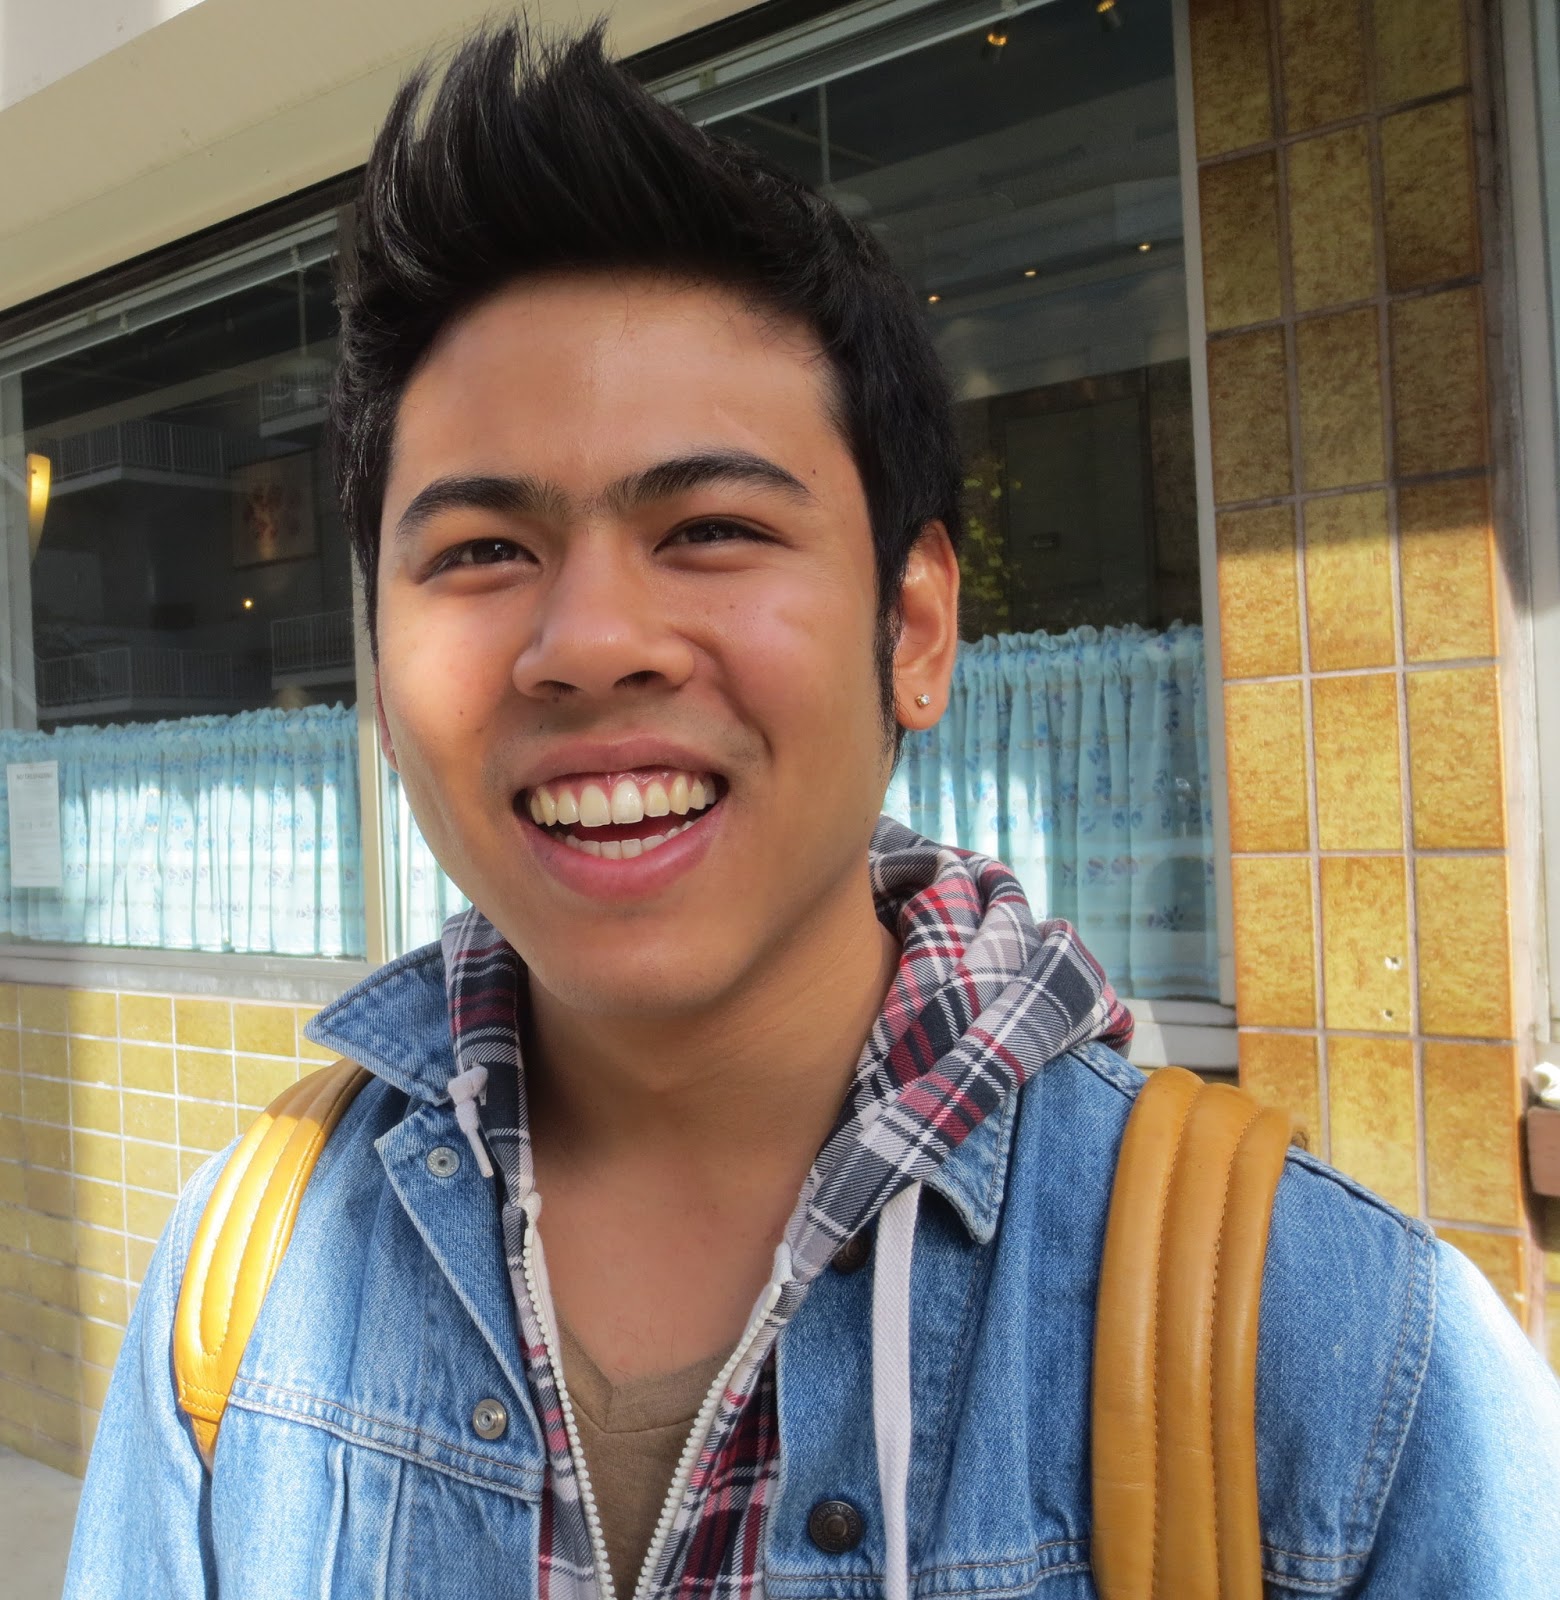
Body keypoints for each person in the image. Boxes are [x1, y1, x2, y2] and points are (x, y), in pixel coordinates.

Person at [66, 23, 1560, 1600]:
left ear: (913, 628)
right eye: (483, 552)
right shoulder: (242, 1290)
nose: (590, 643)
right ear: (379, 676)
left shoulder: (1342, 1362)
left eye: (710, 527)